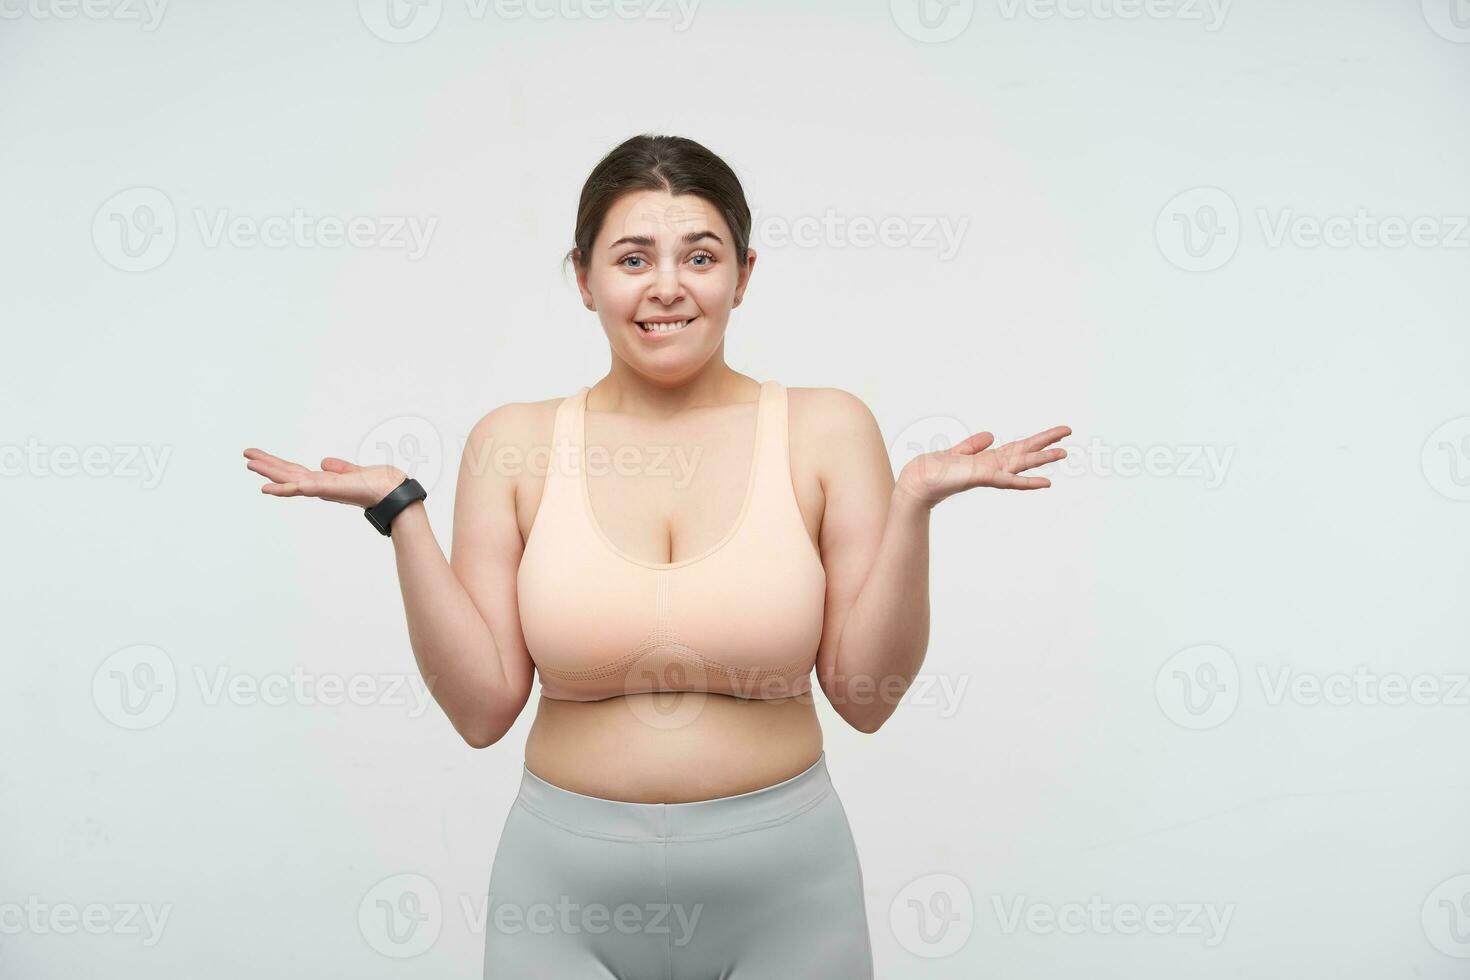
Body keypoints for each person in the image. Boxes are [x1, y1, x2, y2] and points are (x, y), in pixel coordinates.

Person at [244, 133, 1070, 978]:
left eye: (700, 256)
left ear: (743, 275)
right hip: (560, 898)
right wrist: (400, 514)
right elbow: (483, 709)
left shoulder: (827, 430)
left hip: (791, 894)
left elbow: (867, 697)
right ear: (584, 278)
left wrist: (912, 508)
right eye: (633, 257)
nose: (666, 287)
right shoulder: (513, 444)